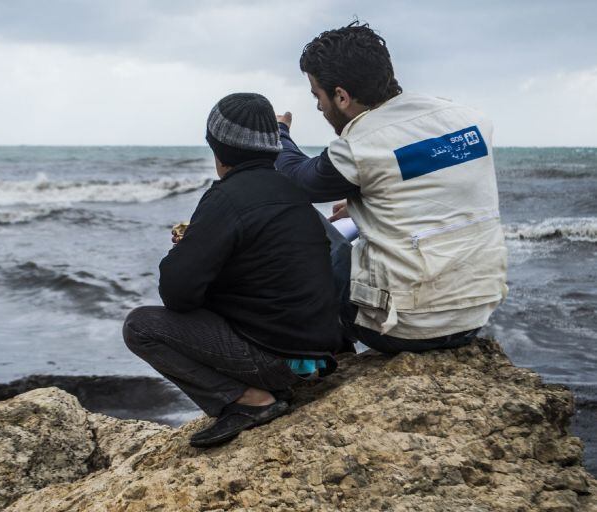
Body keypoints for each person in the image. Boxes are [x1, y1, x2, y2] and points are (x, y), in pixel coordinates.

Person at [123, 93, 345, 447]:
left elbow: (177, 294)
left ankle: (250, 401)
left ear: (217, 148)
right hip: (321, 354)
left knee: (141, 326)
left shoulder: (226, 198)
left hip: (277, 363)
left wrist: (187, 249)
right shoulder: (294, 192)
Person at [275, 21, 508, 354]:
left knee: (292, 218)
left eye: (318, 96)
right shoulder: (469, 120)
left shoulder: (359, 145)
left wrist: (279, 134)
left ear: (341, 96)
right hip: (474, 315)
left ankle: (316, 355)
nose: (319, 107)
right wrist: (362, 207)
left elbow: (297, 179)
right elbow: (421, 186)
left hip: (404, 328)